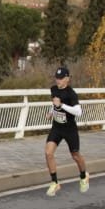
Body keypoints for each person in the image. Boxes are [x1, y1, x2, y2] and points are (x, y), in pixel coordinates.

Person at [44, 67, 89, 195]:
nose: (58, 80)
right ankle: (55, 182)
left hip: (70, 129)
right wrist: (51, 112)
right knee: (48, 153)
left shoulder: (71, 94)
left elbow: (78, 112)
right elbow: (54, 103)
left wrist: (62, 105)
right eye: (57, 78)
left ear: (68, 78)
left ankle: (83, 176)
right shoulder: (53, 89)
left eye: (61, 78)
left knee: (75, 155)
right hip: (57, 128)